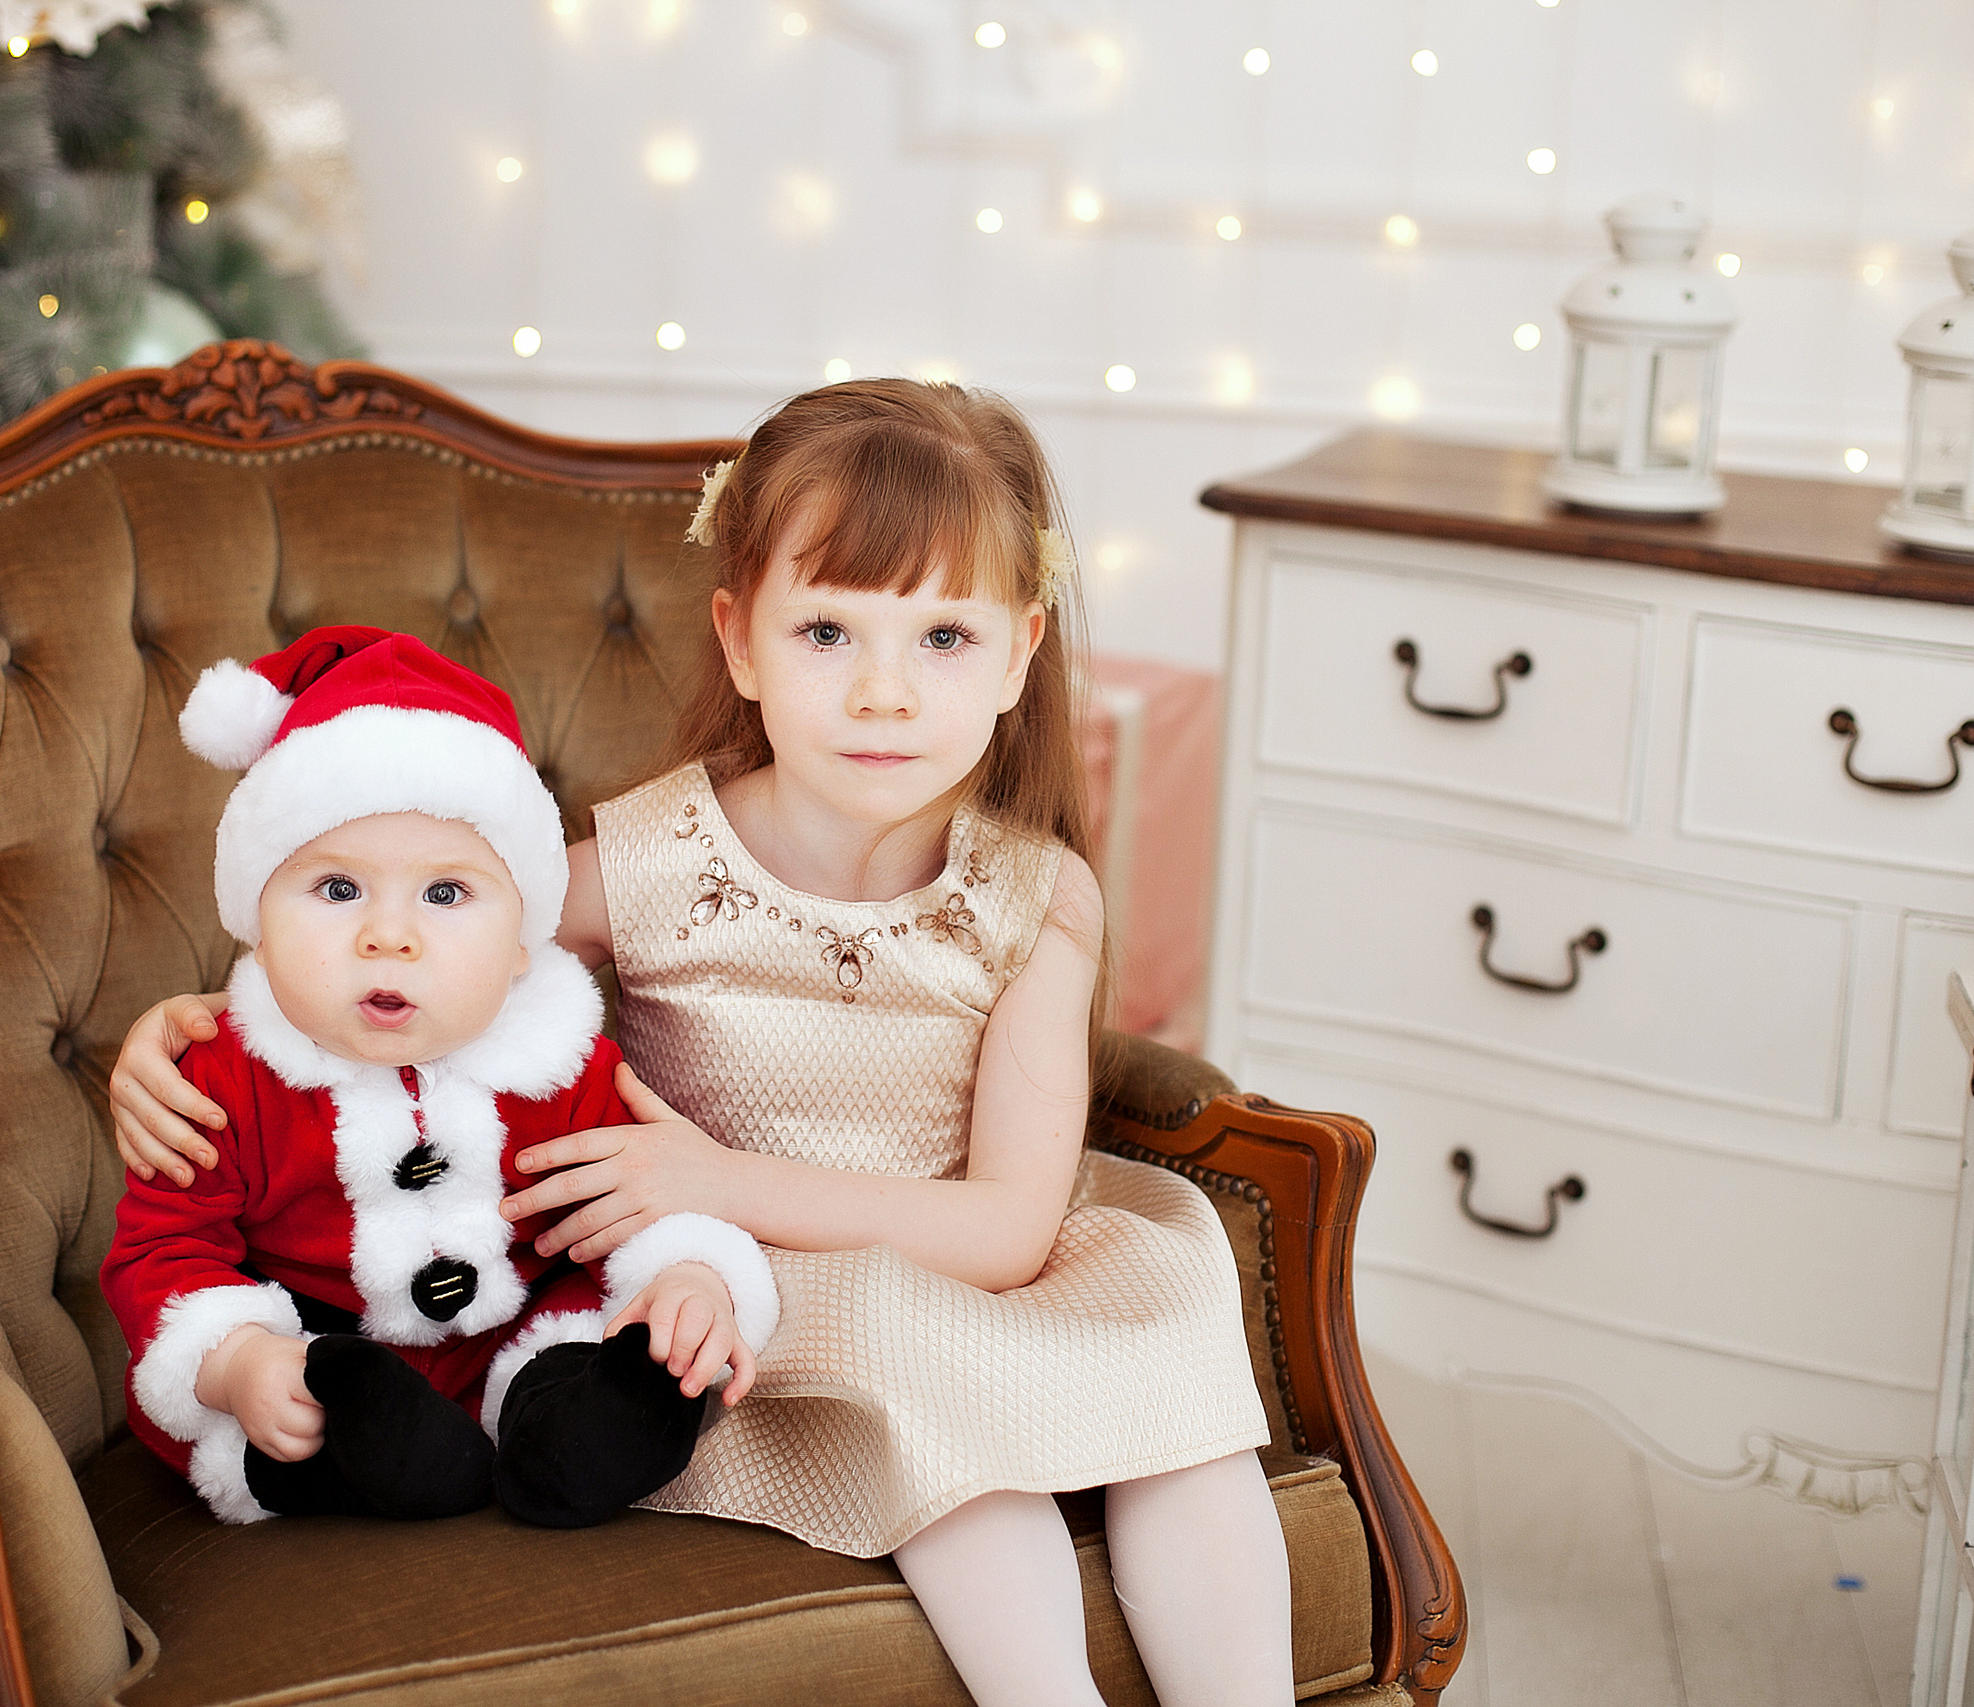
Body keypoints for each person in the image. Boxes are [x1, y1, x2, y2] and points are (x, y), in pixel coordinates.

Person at [110, 381, 1292, 1706]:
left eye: (945, 636)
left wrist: (718, 1177)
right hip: (742, 1296)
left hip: (958, 1246)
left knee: (1178, 1382)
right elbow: (424, 952)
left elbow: (1014, 1229)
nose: (885, 692)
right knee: (946, 1414)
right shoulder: (652, 856)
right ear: (742, 639)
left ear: (1022, 652)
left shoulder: (1037, 892)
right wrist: (206, 1019)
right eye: (829, 629)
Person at [101, 626, 778, 1528]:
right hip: (317, 1349)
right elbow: (163, 1256)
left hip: (522, 1337)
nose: (390, 935)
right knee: (277, 1418)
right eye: (337, 890)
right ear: (257, 919)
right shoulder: (219, 1076)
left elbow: (643, 1194)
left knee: (609, 1350)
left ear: (521, 942)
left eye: (447, 894)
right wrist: (237, 1359)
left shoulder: (563, 1057)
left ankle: (580, 1430)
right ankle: (353, 1448)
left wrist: (690, 1274)